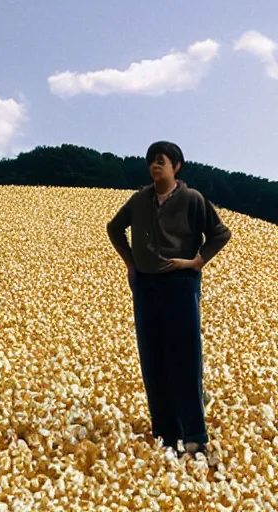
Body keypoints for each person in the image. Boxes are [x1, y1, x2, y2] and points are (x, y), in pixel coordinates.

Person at [106, 141, 231, 457]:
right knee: (153, 358)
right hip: (146, 286)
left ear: (177, 166)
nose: (154, 166)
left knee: (185, 357)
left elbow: (220, 233)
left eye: (160, 161)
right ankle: (165, 433)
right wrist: (131, 263)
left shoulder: (191, 199)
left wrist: (197, 262)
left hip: (179, 283)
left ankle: (194, 435)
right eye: (150, 161)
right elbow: (114, 229)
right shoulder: (139, 200)